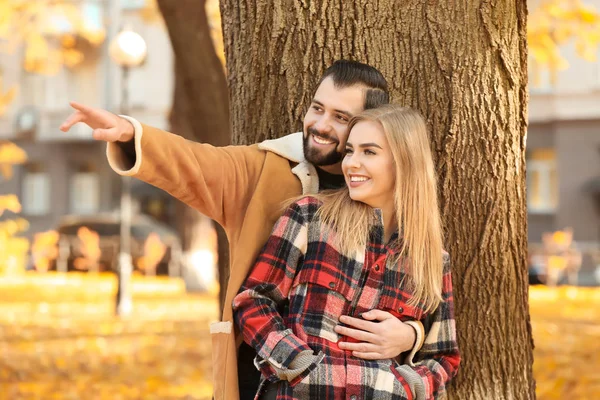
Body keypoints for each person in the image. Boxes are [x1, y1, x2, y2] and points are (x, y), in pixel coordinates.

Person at [59, 61, 425, 400]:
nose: (321, 124)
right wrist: (130, 134)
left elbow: (423, 297)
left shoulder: (385, 199)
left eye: (340, 116)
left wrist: (411, 335)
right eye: (317, 108)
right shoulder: (264, 171)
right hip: (259, 378)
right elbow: (197, 164)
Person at [233, 105, 460, 400]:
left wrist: (404, 384)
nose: (351, 163)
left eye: (369, 152)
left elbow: (444, 355)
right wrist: (298, 363)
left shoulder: (431, 259)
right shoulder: (310, 218)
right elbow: (253, 301)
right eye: (350, 151)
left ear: (405, 162)